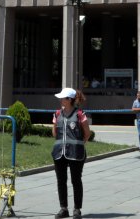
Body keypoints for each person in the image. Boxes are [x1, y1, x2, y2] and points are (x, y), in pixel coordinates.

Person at [51, 87, 90, 219]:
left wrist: (79, 143)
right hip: (59, 153)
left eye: (63, 98)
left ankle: (77, 209)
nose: (61, 100)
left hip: (76, 153)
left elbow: (87, 133)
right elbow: (54, 132)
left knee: (76, 180)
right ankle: (64, 209)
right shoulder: (57, 114)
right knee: (61, 181)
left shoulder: (79, 114)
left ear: (69, 99)